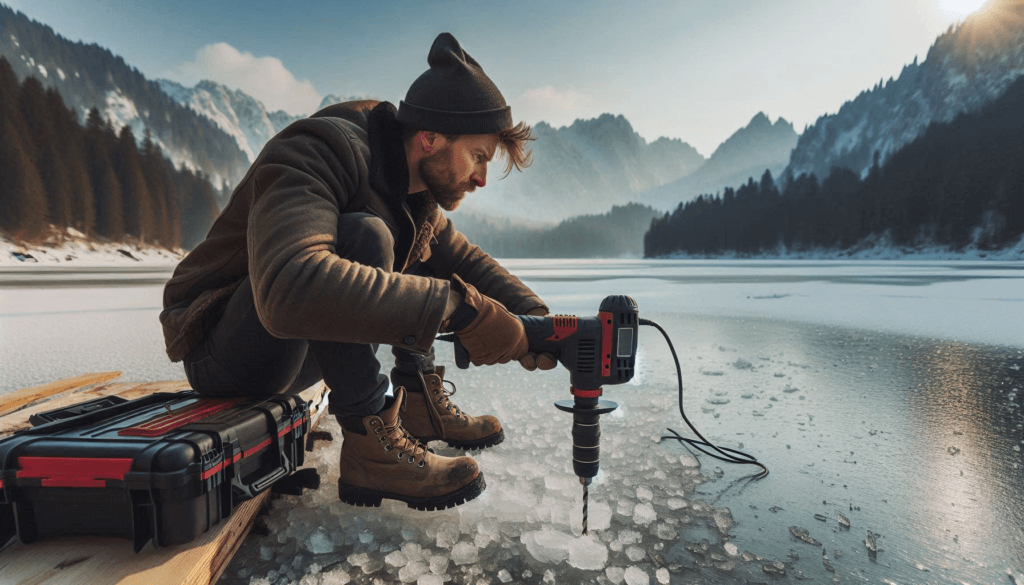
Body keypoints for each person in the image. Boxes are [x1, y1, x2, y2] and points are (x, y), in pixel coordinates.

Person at [159, 33, 556, 511]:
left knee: (416, 258)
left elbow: (468, 262)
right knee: (366, 237)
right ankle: (371, 448)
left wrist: (541, 322)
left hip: (291, 349)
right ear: (430, 138)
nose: (481, 178)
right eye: (478, 157)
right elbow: (291, 287)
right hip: (222, 351)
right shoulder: (317, 151)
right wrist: (460, 312)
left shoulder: (414, 191)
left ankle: (417, 405)